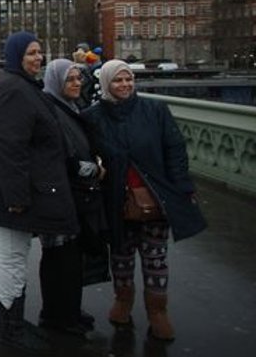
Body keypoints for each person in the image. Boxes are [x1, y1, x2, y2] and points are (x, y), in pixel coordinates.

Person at [0, 32, 78, 353]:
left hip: (15, 194)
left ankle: (11, 323)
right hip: (9, 199)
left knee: (13, 256)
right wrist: (15, 198)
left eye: (40, 52)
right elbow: (9, 149)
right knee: (12, 258)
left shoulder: (20, 85)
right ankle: (10, 330)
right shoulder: (14, 90)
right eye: (31, 53)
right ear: (15, 56)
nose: (38, 58)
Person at [83, 60, 207, 342]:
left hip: (155, 197)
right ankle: (123, 302)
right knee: (121, 256)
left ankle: (157, 312)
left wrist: (183, 187)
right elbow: (87, 155)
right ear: (106, 84)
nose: (125, 85)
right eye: (118, 81)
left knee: (156, 258)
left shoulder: (155, 110)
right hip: (118, 200)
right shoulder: (93, 117)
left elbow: (174, 150)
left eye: (129, 79)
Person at [38, 59, 110, 337]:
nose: (78, 83)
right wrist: (93, 169)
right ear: (56, 82)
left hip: (76, 195)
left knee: (72, 258)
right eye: (70, 79)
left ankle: (69, 310)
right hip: (59, 196)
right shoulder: (51, 110)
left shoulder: (71, 107)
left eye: (79, 78)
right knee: (59, 258)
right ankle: (56, 316)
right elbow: (58, 156)